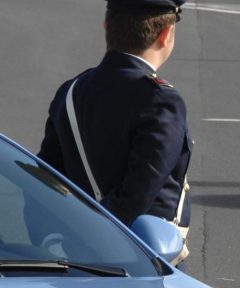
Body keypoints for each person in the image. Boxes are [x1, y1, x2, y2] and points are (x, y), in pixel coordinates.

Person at [37, 0, 191, 267]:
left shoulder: (72, 91)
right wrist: (100, 238)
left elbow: (46, 177)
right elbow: (139, 192)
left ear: (107, 26)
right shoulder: (160, 100)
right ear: (165, 35)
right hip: (140, 257)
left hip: (77, 252)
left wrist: (60, 238)